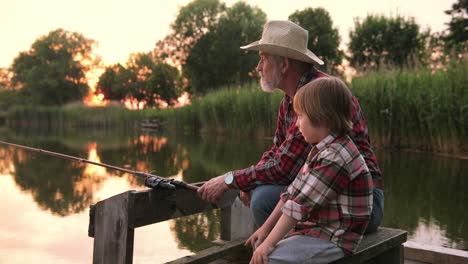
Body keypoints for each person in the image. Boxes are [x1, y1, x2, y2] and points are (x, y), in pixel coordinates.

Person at [197, 20, 383, 233]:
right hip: (330, 195)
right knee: (263, 193)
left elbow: (284, 168)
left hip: (361, 204)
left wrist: (230, 179)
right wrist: (247, 182)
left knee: (263, 199)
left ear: (284, 64)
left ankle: (289, 251)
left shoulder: (318, 97)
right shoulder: (290, 100)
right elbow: (277, 152)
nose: (258, 68)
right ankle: (286, 248)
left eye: (263, 59)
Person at [246, 77, 373, 264]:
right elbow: (291, 193)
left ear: (321, 117)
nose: (296, 124)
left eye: (300, 116)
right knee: (262, 247)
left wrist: (270, 244)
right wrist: (265, 230)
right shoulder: (321, 149)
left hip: (335, 238)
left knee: (268, 259)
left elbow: (297, 207)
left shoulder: (336, 157)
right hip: (316, 230)